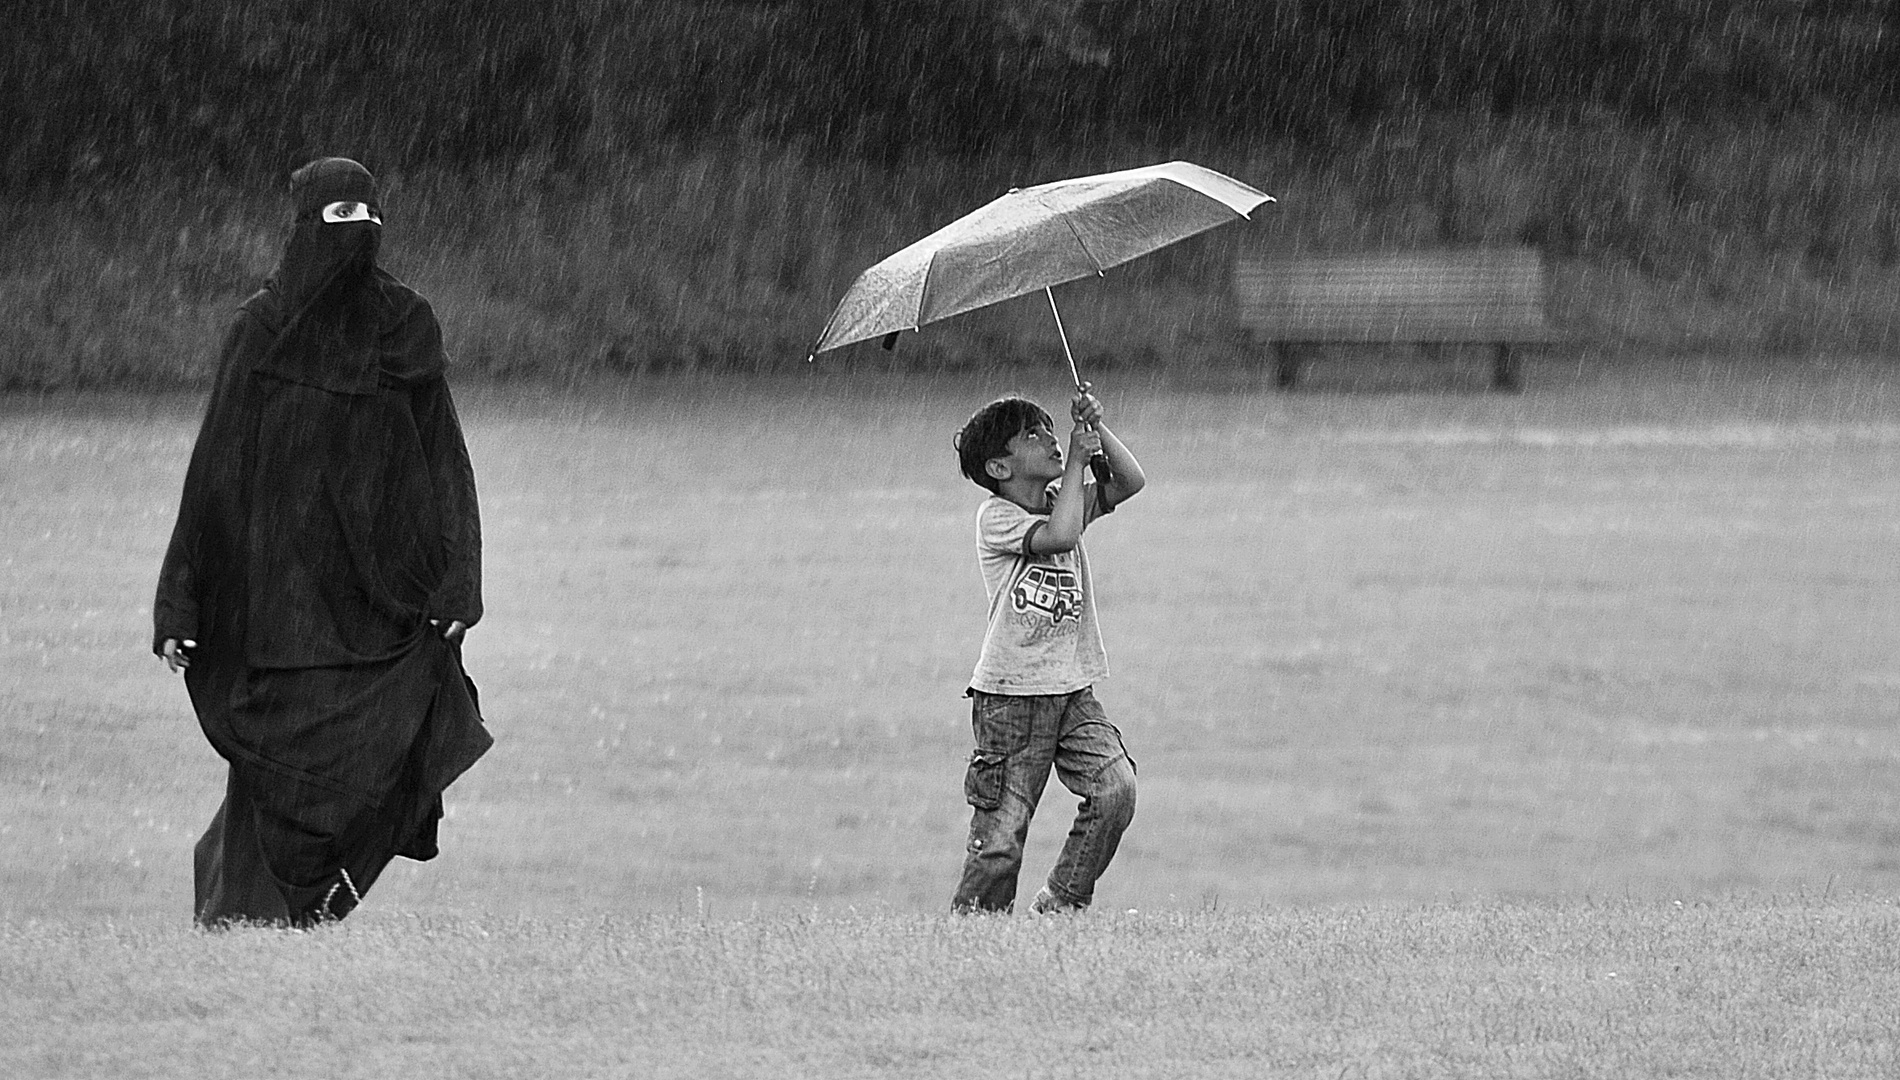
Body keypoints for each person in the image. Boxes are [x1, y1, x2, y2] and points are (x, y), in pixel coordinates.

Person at [153, 157, 491, 928]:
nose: (355, 235)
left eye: (366, 217)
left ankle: (282, 918)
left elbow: (445, 459)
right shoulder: (261, 330)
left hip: (383, 597)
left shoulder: (405, 325)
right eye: (335, 219)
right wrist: (181, 599)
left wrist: (459, 581)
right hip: (279, 603)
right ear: (305, 227)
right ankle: (247, 918)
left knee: (394, 752)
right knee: (282, 777)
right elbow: (216, 467)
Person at [950, 383, 1145, 914]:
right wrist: (1079, 462)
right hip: (1011, 699)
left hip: (1071, 691)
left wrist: (1096, 429)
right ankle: (973, 935)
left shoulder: (1066, 500)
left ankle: (1061, 901)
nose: (1050, 439)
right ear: (999, 469)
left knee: (1115, 790)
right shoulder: (997, 518)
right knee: (1001, 838)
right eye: (1031, 436)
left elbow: (1131, 482)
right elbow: (1058, 538)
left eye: (1049, 429)